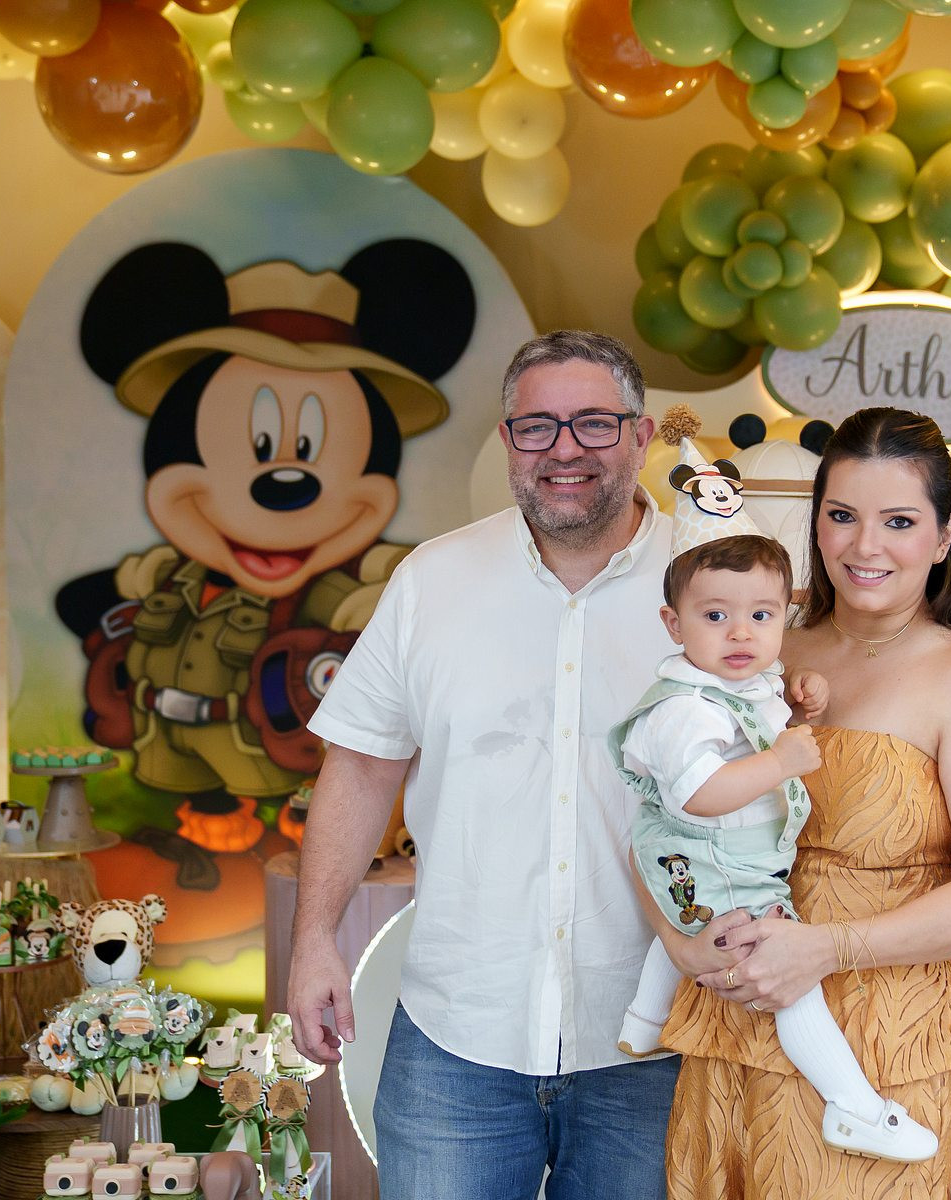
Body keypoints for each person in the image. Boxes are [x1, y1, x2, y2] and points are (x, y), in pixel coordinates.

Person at [285, 330, 747, 1200]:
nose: (564, 449)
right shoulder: (432, 581)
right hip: (456, 1040)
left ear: (643, 436)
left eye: (594, 423)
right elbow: (361, 767)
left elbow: (792, 753)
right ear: (507, 441)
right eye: (537, 427)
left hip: (657, 1040)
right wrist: (314, 940)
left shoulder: (718, 590)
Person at [655, 406, 951, 1198]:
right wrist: (680, 942)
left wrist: (827, 948)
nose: (864, 547)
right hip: (730, 1035)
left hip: (877, 1057)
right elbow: (659, 810)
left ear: (944, 535)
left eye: (898, 521)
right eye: (841, 516)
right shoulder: (760, 653)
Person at [611, 439, 937, 1163]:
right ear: (674, 624)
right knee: (793, 988)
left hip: (700, 863)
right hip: (720, 860)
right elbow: (700, 793)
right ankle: (854, 1107)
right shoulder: (685, 708)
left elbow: (758, 707)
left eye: (761, 616)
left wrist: (796, 699)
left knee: (695, 925)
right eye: (716, 617)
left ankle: (643, 1020)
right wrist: (780, 760)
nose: (741, 633)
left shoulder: (738, 680)